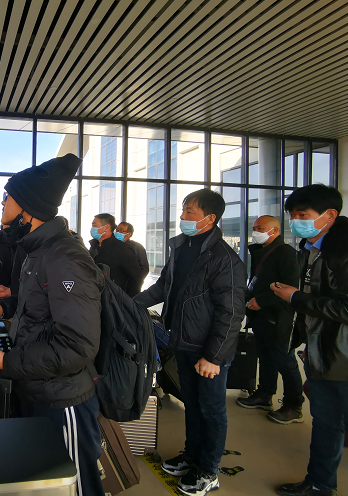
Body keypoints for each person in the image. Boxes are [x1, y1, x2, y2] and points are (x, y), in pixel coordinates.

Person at [0, 153, 106, 496]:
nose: (2, 203)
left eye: (7, 197)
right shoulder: (38, 250)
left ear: (27, 207)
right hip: (36, 386)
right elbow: (41, 303)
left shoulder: (65, 258)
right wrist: (5, 306)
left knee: (77, 487)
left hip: (63, 400)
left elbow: (78, 345)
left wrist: (8, 362)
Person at [134, 188, 246, 496]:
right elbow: (163, 288)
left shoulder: (225, 259)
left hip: (208, 351)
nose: (182, 216)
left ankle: (208, 470)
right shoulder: (182, 248)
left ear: (210, 218)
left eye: (189, 212)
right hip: (182, 342)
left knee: (212, 410)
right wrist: (130, 304)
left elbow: (231, 314)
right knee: (192, 406)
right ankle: (192, 456)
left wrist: (214, 357)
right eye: (183, 210)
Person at [272, 184, 348, 496]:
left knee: (331, 423)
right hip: (321, 354)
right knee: (327, 423)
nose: (296, 222)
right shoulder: (310, 249)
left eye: (303, 215)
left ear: (330, 215)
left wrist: (296, 298)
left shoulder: (342, 253)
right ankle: (320, 484)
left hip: (341, 357)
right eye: (293, 215)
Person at [236, 215, 304, 424]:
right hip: (262, 315)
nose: (255, 231)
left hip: (278, 316)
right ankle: (265, 394)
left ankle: (294, 405)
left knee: (284, 359)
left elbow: (290, 286)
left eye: (260, 228)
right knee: (265, 356)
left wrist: (262, 300)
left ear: (274, 231)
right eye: (254, 228)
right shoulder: (264, 251)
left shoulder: (285, 253)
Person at [89, 213, 144, 296]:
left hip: (113, 298)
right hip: (94, 297)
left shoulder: (122, 249)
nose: (92, 228)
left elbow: (136, 277)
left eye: (94, 225)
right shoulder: (94, 247)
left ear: (106, 227)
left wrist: (127, 300)